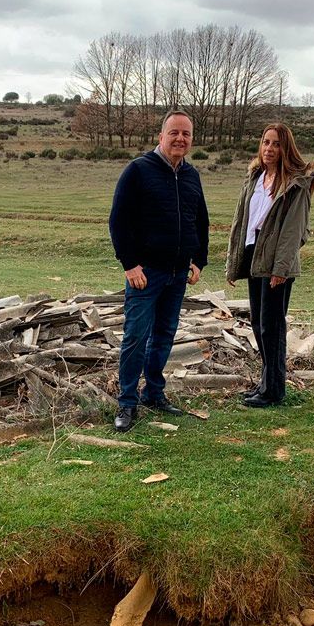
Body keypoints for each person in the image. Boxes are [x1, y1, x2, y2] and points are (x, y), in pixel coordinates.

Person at [108, 110, 209, 432]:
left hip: (178, 273)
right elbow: (118, 221)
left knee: (164, 336)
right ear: (160, 136)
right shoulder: (138, 171)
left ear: (191, 140)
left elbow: (201, 221)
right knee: (136, 337)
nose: (180, 139)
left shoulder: (192, 175)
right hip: (146, 273)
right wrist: (129, 265)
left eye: (186, 134)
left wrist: (198, 260)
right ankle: (126, 403)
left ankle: (153, 393)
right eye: (174, 132)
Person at [225, 123, 314, 408]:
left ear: (286, 148)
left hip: (277, 260)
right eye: (266, 142)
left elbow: (293, 230)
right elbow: (242, 221)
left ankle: (274, 390)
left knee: (272, 326)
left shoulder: (294, 184)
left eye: (276, 144)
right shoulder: (255, 177)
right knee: (257, 323)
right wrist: (234, 262)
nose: (269, 149)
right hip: (255, 254)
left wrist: (281, 268)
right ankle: (266, 383)